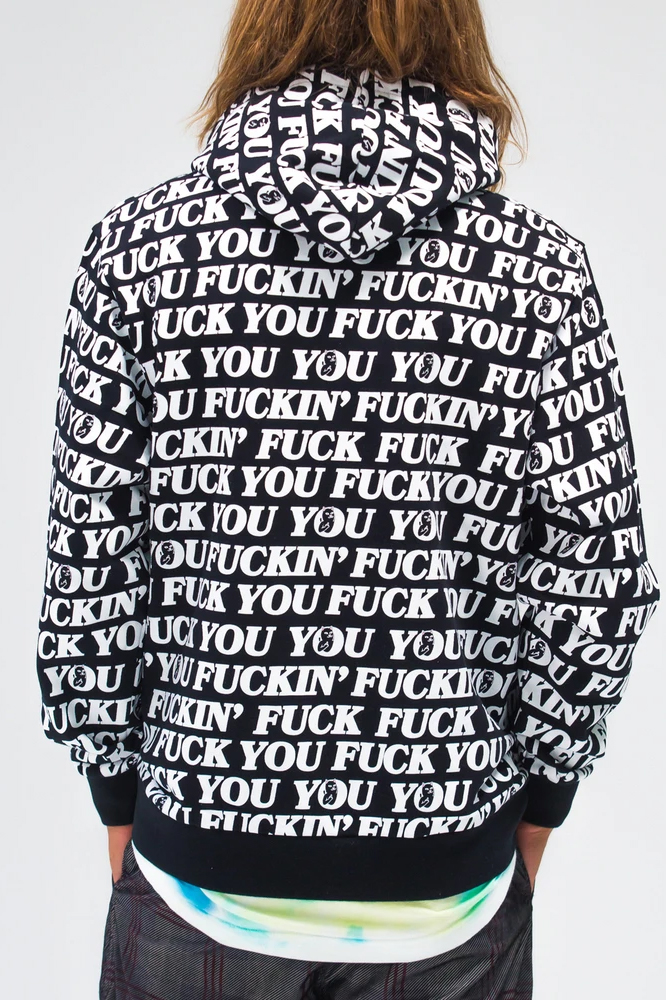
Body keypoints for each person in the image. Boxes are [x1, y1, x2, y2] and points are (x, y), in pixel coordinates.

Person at [36, 1, 659, 998]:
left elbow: (91, 557)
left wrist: (117, 789)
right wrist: (540, 800)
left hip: (196, 872)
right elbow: (600, 573)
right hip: (448, 887)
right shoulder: (540, 274)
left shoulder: (136, 254)